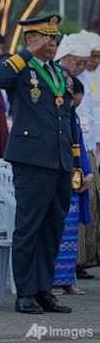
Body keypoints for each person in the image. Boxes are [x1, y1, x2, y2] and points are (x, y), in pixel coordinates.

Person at [0, 14, 79, 314]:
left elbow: (69, 119)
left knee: (52, 228)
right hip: (31, 160)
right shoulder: (19, 68)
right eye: (45, 37)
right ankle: (25, 292)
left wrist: (76, 161)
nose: (52, 42)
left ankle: (44, 289)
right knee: (29, 227)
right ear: (30, 39)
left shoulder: (60, 74)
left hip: (59, 161)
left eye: (54, 38)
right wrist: (27, 51)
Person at [52, 77, 92, 296]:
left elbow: (82, 147)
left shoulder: (73, 118)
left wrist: (88, 173)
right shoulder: (55, 117)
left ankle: (68, 280)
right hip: (61, 177)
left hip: (75, 179)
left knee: (71, 234)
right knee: (57, 231)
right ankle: (54, 281)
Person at [76, 30, 100, 279]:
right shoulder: (69, 77)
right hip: (77, 148)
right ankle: (75, 261)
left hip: (92, 145)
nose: (93, 62)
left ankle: (88, 258)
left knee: (92, 203)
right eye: (90, 57)